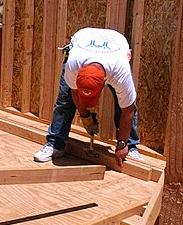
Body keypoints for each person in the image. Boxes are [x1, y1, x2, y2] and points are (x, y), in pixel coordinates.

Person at [34, 27, 142, 167]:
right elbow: (73, 93)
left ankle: (130, 146)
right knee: (64, 99)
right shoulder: (73, 65)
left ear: (105, 82)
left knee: (124, 103)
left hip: (115, 47)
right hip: (83, 43)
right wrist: (85, 117)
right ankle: (55, 143)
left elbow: (128, 110)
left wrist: (122, 144)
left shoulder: (120, 72)